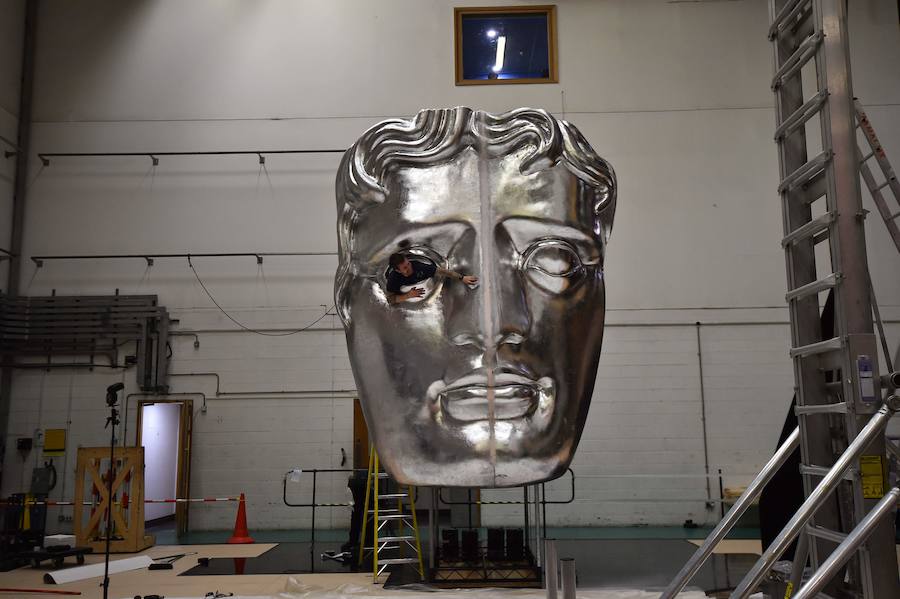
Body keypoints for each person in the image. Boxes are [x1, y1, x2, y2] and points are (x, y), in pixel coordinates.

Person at [385, 253, 478, 304]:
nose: (409, 268)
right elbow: (389, 299)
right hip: (406, 292)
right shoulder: (393, 279)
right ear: (398, 270)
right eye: (405, 268)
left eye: (408, 264)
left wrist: (462, 278)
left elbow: (442, 271)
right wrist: (408, 295)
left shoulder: (418, 267)